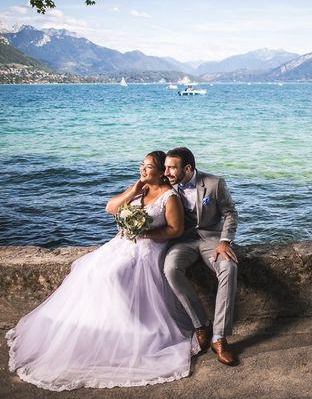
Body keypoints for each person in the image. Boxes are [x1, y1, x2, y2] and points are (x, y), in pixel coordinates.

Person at [6, 151, 197, 391]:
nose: (143, 169)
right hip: (122, 243)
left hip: (148, 248)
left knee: (113, 274)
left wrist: (144, 233)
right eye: (142, 165)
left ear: (160, 172)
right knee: (88, 269)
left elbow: (175, 230)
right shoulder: (140, 188)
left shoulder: (170, 197)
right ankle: (101, 328)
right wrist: (134, 190)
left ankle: (132, 331)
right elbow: (111, 208)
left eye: (148, 167)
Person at [163, 147, 239, 366]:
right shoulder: (167, 185)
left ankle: (219, 337)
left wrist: (225, 241)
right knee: (170, 269)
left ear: (187, 168)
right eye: (166, 167)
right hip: (183, 241)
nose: (166, 172)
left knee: (229, 267)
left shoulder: (215, 183)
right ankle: (201, 324)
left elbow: (230, 213)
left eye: (171, 168)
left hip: (212, 240)